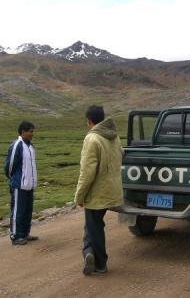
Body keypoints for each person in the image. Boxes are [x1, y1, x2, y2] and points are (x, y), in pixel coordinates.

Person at [74, 105, 123, 275]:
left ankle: (100, 263)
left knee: (93, 226)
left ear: (89, 121)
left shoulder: (92, 139)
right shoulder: (114, 137)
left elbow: (87, 172)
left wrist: (79, 196)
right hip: (113, 190)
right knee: (93, 226)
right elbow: (121, 155)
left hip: (97, 193)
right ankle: (88, 252)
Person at [4, 121, 38, 245]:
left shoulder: (30, 146)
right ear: (23, 132)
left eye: (32, 131)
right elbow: (10, 166)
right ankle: (16, 236)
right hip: (19, 185)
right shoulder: (17, 145)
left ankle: (24, 233)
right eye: (30, 131)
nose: (32, 134)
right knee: (18, 211)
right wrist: (14, 179)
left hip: (29, 185)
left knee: (27, 211)